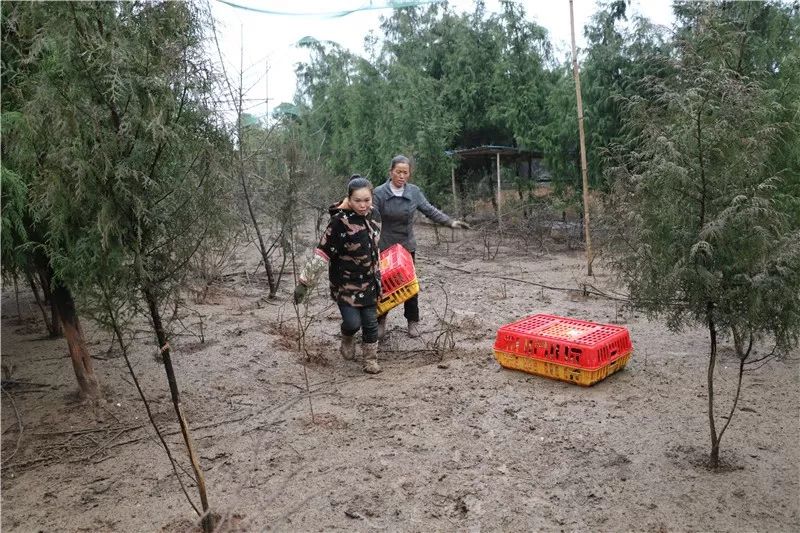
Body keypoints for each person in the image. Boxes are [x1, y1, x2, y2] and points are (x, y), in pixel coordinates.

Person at [372, 155, 470, 338]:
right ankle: (380, 321)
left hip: (406, 247)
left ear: (409, 174)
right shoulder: (379, 193)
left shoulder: (414, 192)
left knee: (410, 285)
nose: (401, 176)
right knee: (383, 285)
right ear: (390, 172)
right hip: (385, 247)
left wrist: (450, 222)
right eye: (398, 172)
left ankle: (412, 320)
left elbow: (429, 210)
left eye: (405, 173)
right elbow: (370, 217)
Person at [294, 176, 383, 374]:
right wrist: (304, 283)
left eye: (367, 200)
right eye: (357, 200)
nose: (363, 205)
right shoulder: (338, 223)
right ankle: (347, 335)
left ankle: (370, 360)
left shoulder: (375, 215)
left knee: (370, 323)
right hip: (345, 284)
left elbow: (375, 247)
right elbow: (322, 254)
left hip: (370, 282)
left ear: (372, 198)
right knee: (353, 322)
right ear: (349, 199)